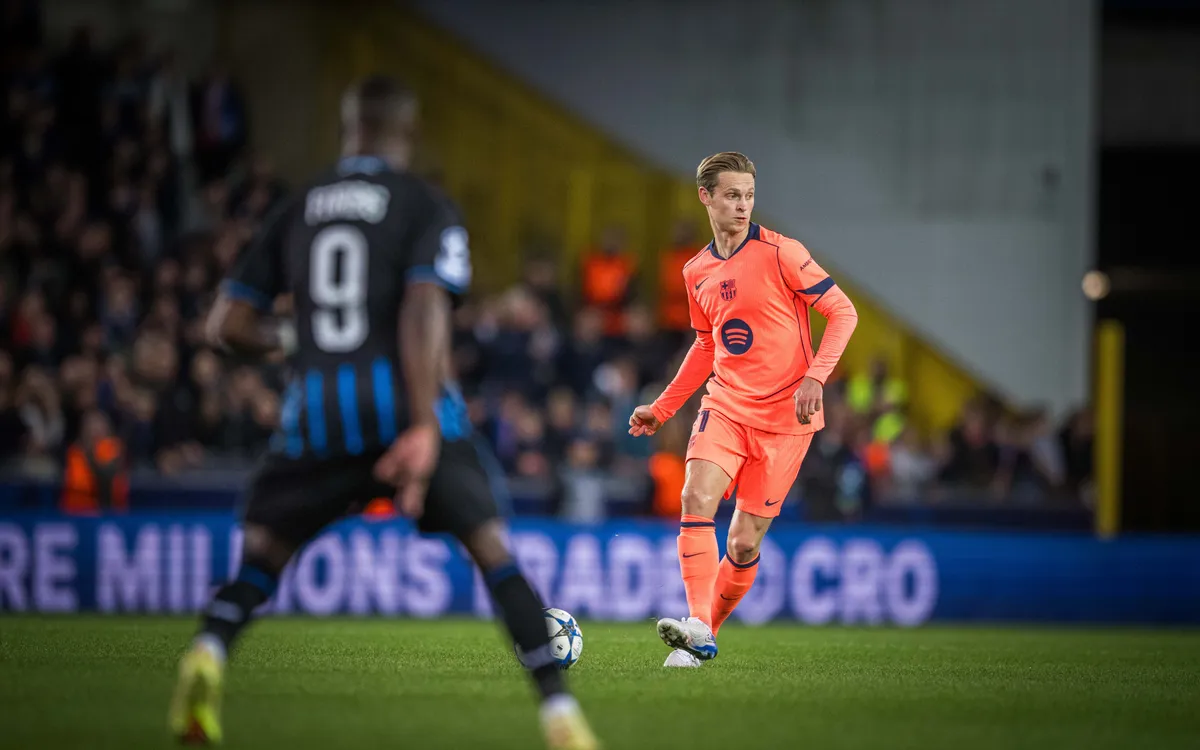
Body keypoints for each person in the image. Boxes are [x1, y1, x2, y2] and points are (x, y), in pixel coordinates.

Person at [168, 75, 599, 750]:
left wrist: (299, 340)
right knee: (491, 550)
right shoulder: (424, 204)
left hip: (317, 411)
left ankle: (210, 649)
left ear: (350, 127)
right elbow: (424, 309)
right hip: (405, 403)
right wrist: (425, 425)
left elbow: (225, 325)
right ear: (408, 132)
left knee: (261, 559)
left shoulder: (299, 206)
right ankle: (560, 715)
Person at [628, 151, 858, 667]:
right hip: (726, 406)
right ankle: (696, 625)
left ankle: (704, 633)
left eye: (749, 195)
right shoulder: (696, 272)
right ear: (706, 197)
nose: (743, 205)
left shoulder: (782, 253)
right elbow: (707, 346)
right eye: (732, 195)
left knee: (745, 541)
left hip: (786, 421)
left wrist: (816, 378)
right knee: (695, 497)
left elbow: (843, 312)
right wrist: (662, 410)